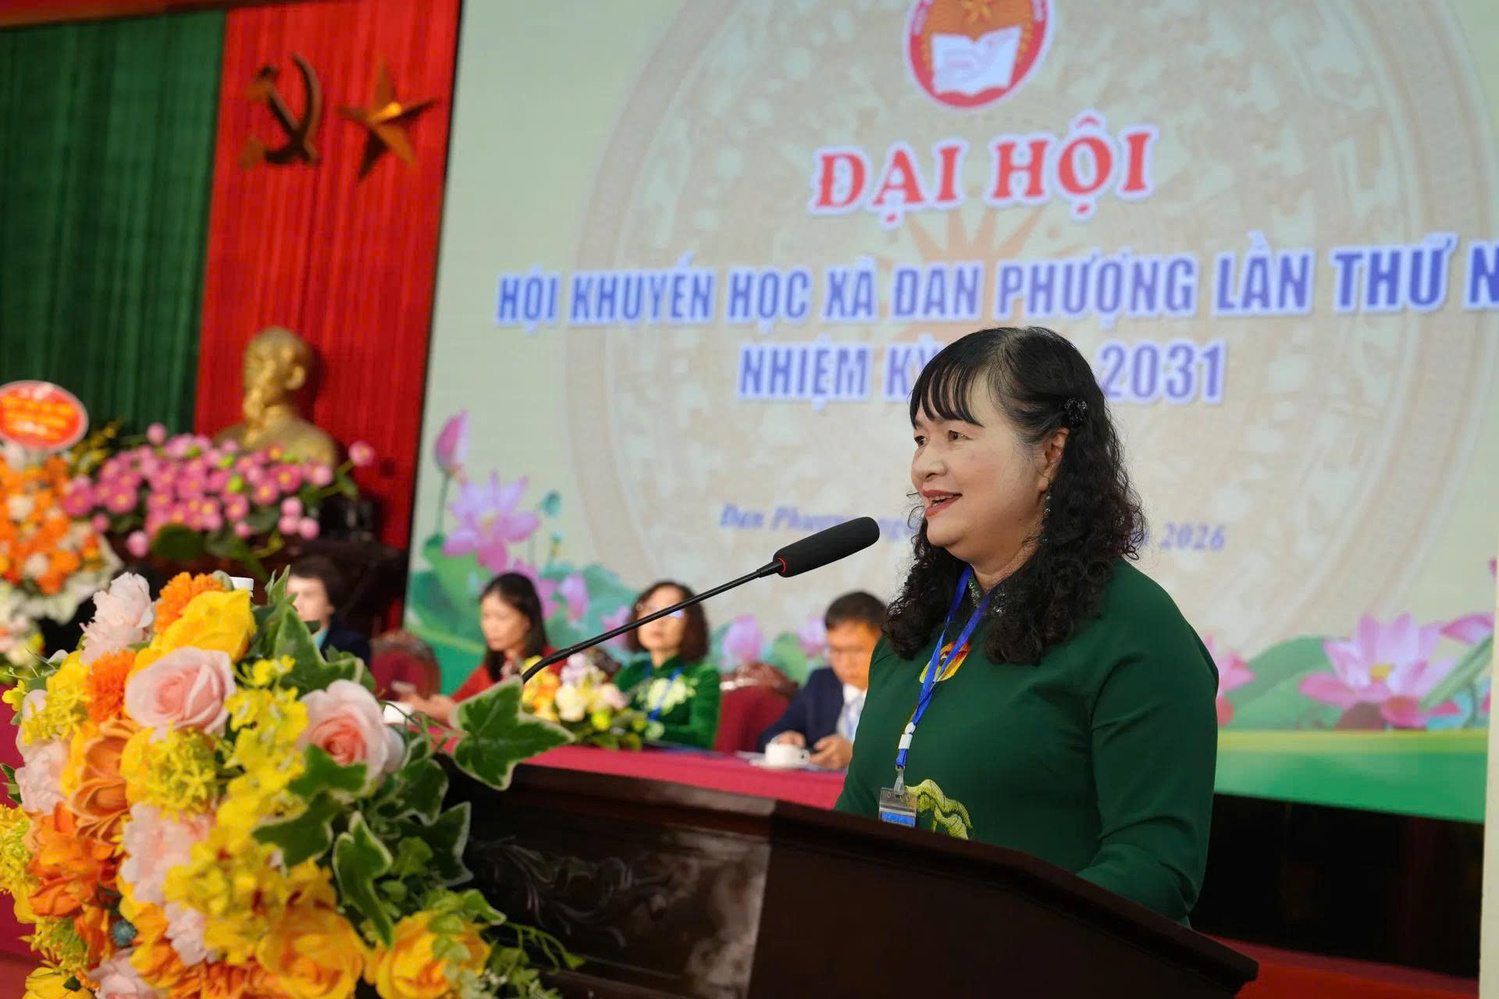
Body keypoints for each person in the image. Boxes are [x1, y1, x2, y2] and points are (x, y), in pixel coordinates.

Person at [835, 326, 1218, 924]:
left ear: (1049, 454)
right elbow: (851, 831)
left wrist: (992, 945)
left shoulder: (1136, 631)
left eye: (956, 435)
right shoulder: (917, 629)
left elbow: (1154, 867)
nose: (924, 466)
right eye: (920, 438)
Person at [399, 573, 553, 725]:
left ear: (527, 620)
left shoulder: (551, 665)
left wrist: (457, 714)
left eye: (501, 617)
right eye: (486, 616)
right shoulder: (490, 668)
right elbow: (456, 702)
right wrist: (426, 706)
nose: (491, 627)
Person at [757, 591, 885, 768]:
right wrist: (783, 740)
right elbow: (771, 734)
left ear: (885, 646)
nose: (846, 663)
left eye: (857, 650)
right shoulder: (821, 682)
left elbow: (914, 756)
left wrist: (857, 755)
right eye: (836, 650)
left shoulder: (903, 689)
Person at [612, 581, 721, 750]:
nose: (658, 619)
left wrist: (642, 728)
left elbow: (702, 738)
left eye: (673, 611)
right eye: (651, 608)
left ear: (690, 624)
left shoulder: (703, 674)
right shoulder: (632, 672)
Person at [287, 556, 371, 666]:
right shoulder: (271, 638)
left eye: (308, 595)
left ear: (331, 604)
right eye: (290, 594)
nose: (296, 604)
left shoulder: (350, 645)